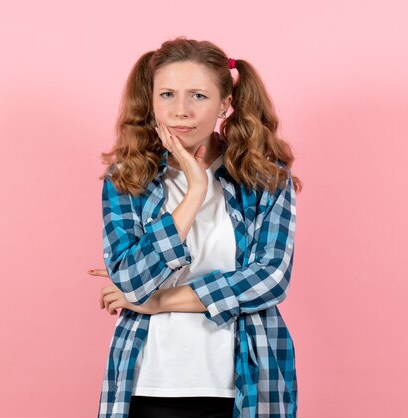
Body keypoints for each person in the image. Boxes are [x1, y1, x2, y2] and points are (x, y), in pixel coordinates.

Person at [87, 36, 301, 418]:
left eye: (198, 96)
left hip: (246, 384)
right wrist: (195, 191)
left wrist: (157, 302)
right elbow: (132, 280)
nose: (180, 110)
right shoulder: (126, 179)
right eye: (167, 94)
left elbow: (270, 278)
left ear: (225, 103)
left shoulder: (265, 179)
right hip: (149, 382)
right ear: (151, 101)